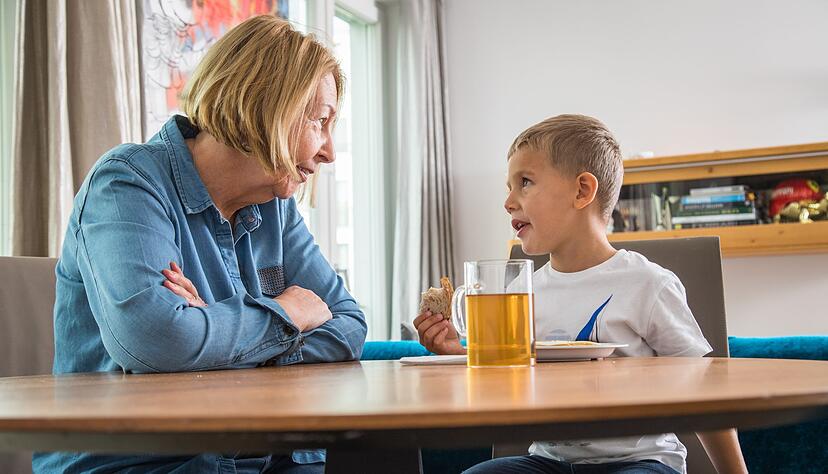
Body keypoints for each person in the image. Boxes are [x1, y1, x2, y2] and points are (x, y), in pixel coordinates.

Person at [33, 15, 366, 474]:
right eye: (320, 122)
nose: (329, 152)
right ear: (265, 105)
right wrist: (285, 314)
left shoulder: (276, 206)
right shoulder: (126, 184)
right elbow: (157, 340)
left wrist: (212, 335)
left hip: (268, 459)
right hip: (148, 464)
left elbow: (348, 324)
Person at [414, 115, 748, 474]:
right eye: (508, 187)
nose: (508, 201)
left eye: (525, 182)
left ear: (582, 191)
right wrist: (458, 353)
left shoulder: (648, 284)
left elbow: (704, 392)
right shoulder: (521, 293)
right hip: (549, 462)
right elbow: (502, 382)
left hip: (638, 463)